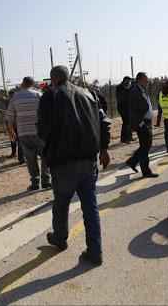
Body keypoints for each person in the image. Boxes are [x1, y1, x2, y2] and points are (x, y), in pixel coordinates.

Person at [38, 65, 111, 266]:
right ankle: (95, 251)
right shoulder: (88, 94)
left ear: (53, 79)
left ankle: (60, 239)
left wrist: (45, 154)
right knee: (90, 206)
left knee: (61, 204)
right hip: (88, 161)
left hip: (63, 163)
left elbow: (43, 131)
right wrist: (104, 149)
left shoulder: (49, 97)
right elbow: (104, 122)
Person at [7, 77, 50, 190]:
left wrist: (11, 132)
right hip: (38, 131)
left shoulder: (15, 97)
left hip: (23, 132)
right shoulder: (38, 95)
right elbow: (46, 113)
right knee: (45, 156)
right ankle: (46, 181)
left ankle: (35, 183)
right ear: (33, 84)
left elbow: (9, 117)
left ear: (22, 84)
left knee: (30, 159)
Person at [126, 72, 159, 178]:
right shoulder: (135, 91)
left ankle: (132, 161)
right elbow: (133, 109)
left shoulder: (141, 89)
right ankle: (146, 171)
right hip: (142, 122)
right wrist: (140, 123)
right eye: (146, 79)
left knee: (145, 145)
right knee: (146, 146)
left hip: (146, 121)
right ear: (139, 79)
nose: (147, 81)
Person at [5, 89, 24, 164]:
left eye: (12, 95)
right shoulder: (9, 102)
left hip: (18, 124)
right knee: (13, 139)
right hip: (12, 124)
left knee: (19, 141)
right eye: (10, 95)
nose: (11, 97)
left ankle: (21, 157)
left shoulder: (17, 102)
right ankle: (14, 153)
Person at [116, 76, 133, 143]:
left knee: (129, 122)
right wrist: (127, 89)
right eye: (128, 81)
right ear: (125, 80)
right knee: (126, 123)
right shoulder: (120, 87)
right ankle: (124, 139)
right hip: (122, 108)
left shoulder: (127, 87)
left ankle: (129, 137)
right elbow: (122, 98)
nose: (129, 83)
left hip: (128, 107)